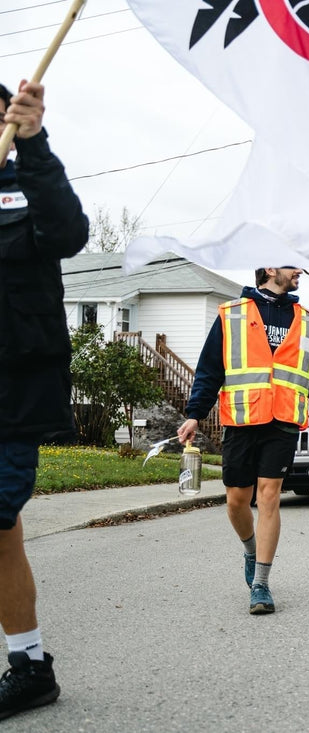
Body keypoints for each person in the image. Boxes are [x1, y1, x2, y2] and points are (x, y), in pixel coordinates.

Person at [179, 266, 309, 615]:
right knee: (237, 500)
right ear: (270, 269)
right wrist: (195, 413)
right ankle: (250, 551)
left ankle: (261, 584)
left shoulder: (307, 322)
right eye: (291, 265)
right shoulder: (232, 314)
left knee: (269, 495)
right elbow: (210, 370)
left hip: (283, 421)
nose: (299, 271)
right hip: (242, 418)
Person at [0, 80, 88, 721]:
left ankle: (29, 666)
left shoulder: (25, 186)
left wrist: (33, 145)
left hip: (13, 398)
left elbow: (68, 231)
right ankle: (30, 667)